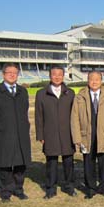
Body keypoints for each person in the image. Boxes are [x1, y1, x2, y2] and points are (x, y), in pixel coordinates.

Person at [0, 63, 31, 203]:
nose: (12, 74)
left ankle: (19, 189)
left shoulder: (23, 91)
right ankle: (6, 191)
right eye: (9, 72)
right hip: (5, 133)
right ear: (3, 74)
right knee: (5, 163)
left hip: (21, 133)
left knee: (20, 163)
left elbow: (25, 111)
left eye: (15, 72)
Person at [71, 71, 104, 199]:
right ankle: (90, 189)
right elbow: (74, 118)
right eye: (91, 79)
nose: (94, 82)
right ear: (87, 80)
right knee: (88, 163)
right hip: (87, 135)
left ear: (101, 81)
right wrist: (77, 138)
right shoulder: (80, 97)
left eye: (97, 79)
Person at [35, 65, 76, 199]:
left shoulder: (70, 93)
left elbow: (75, 115)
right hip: (50, 133)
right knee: (51, 162)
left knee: (68, 162)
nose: (57, 77)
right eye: (54, 74)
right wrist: (40, 134)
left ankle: (69, 187)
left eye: (59, 74)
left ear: (63, 76)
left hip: (67, 134)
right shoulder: (41, 93)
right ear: (49, 76)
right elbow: (39, 116)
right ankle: (50, 188)